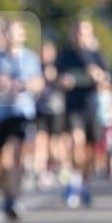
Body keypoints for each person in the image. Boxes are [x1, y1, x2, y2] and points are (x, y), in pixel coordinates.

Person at [0, 18, 42, 220]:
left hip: (21, 111)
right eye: (8, 32)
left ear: (23, 35)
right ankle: (7, 192)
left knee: (16, 152)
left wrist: (27, 85)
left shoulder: (30, 58)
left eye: (16, 32)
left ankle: (15, 197)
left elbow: (39, 82)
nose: (12, 36)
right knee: (0, 160)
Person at [57, 19, 108, 208]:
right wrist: (63, 81)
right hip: (73, 107)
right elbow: (55, 78)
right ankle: (74, 184)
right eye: (78, 32)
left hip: (92, 108)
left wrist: (98, 75)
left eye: (85, 32)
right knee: (76, 144)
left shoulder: (96, 55)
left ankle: (84, 184)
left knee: (88, 152)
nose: (81, 36)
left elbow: (107, 81)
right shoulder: (66, 55)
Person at [33, 39, 66, 189]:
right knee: (40, 141)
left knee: (55, 144)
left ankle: (59, 166)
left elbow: (65, 84)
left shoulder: (59, 66)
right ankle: (41, 172)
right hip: (40, 110)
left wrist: (55, 78)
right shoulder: (36, 67)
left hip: (56, 110)